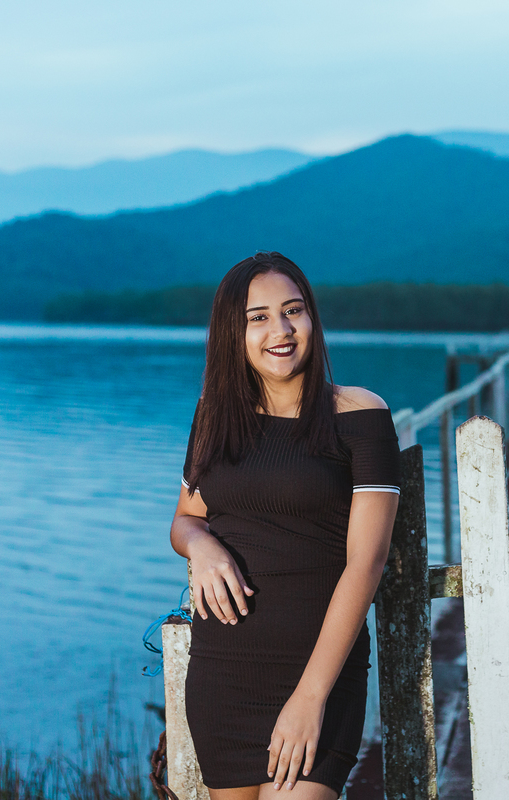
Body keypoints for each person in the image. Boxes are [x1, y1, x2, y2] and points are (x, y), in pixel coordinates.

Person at [169, 252, 402, 800]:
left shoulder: (360, 415)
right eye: (258, 317)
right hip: (223, 674)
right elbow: (184, 519)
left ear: (312, 319)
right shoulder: (214, 416)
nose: (281, 330)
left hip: (318, 672)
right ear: (234, 332)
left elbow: (366, 563)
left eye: (293, 311)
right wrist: (201, 545)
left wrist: (310, 698)